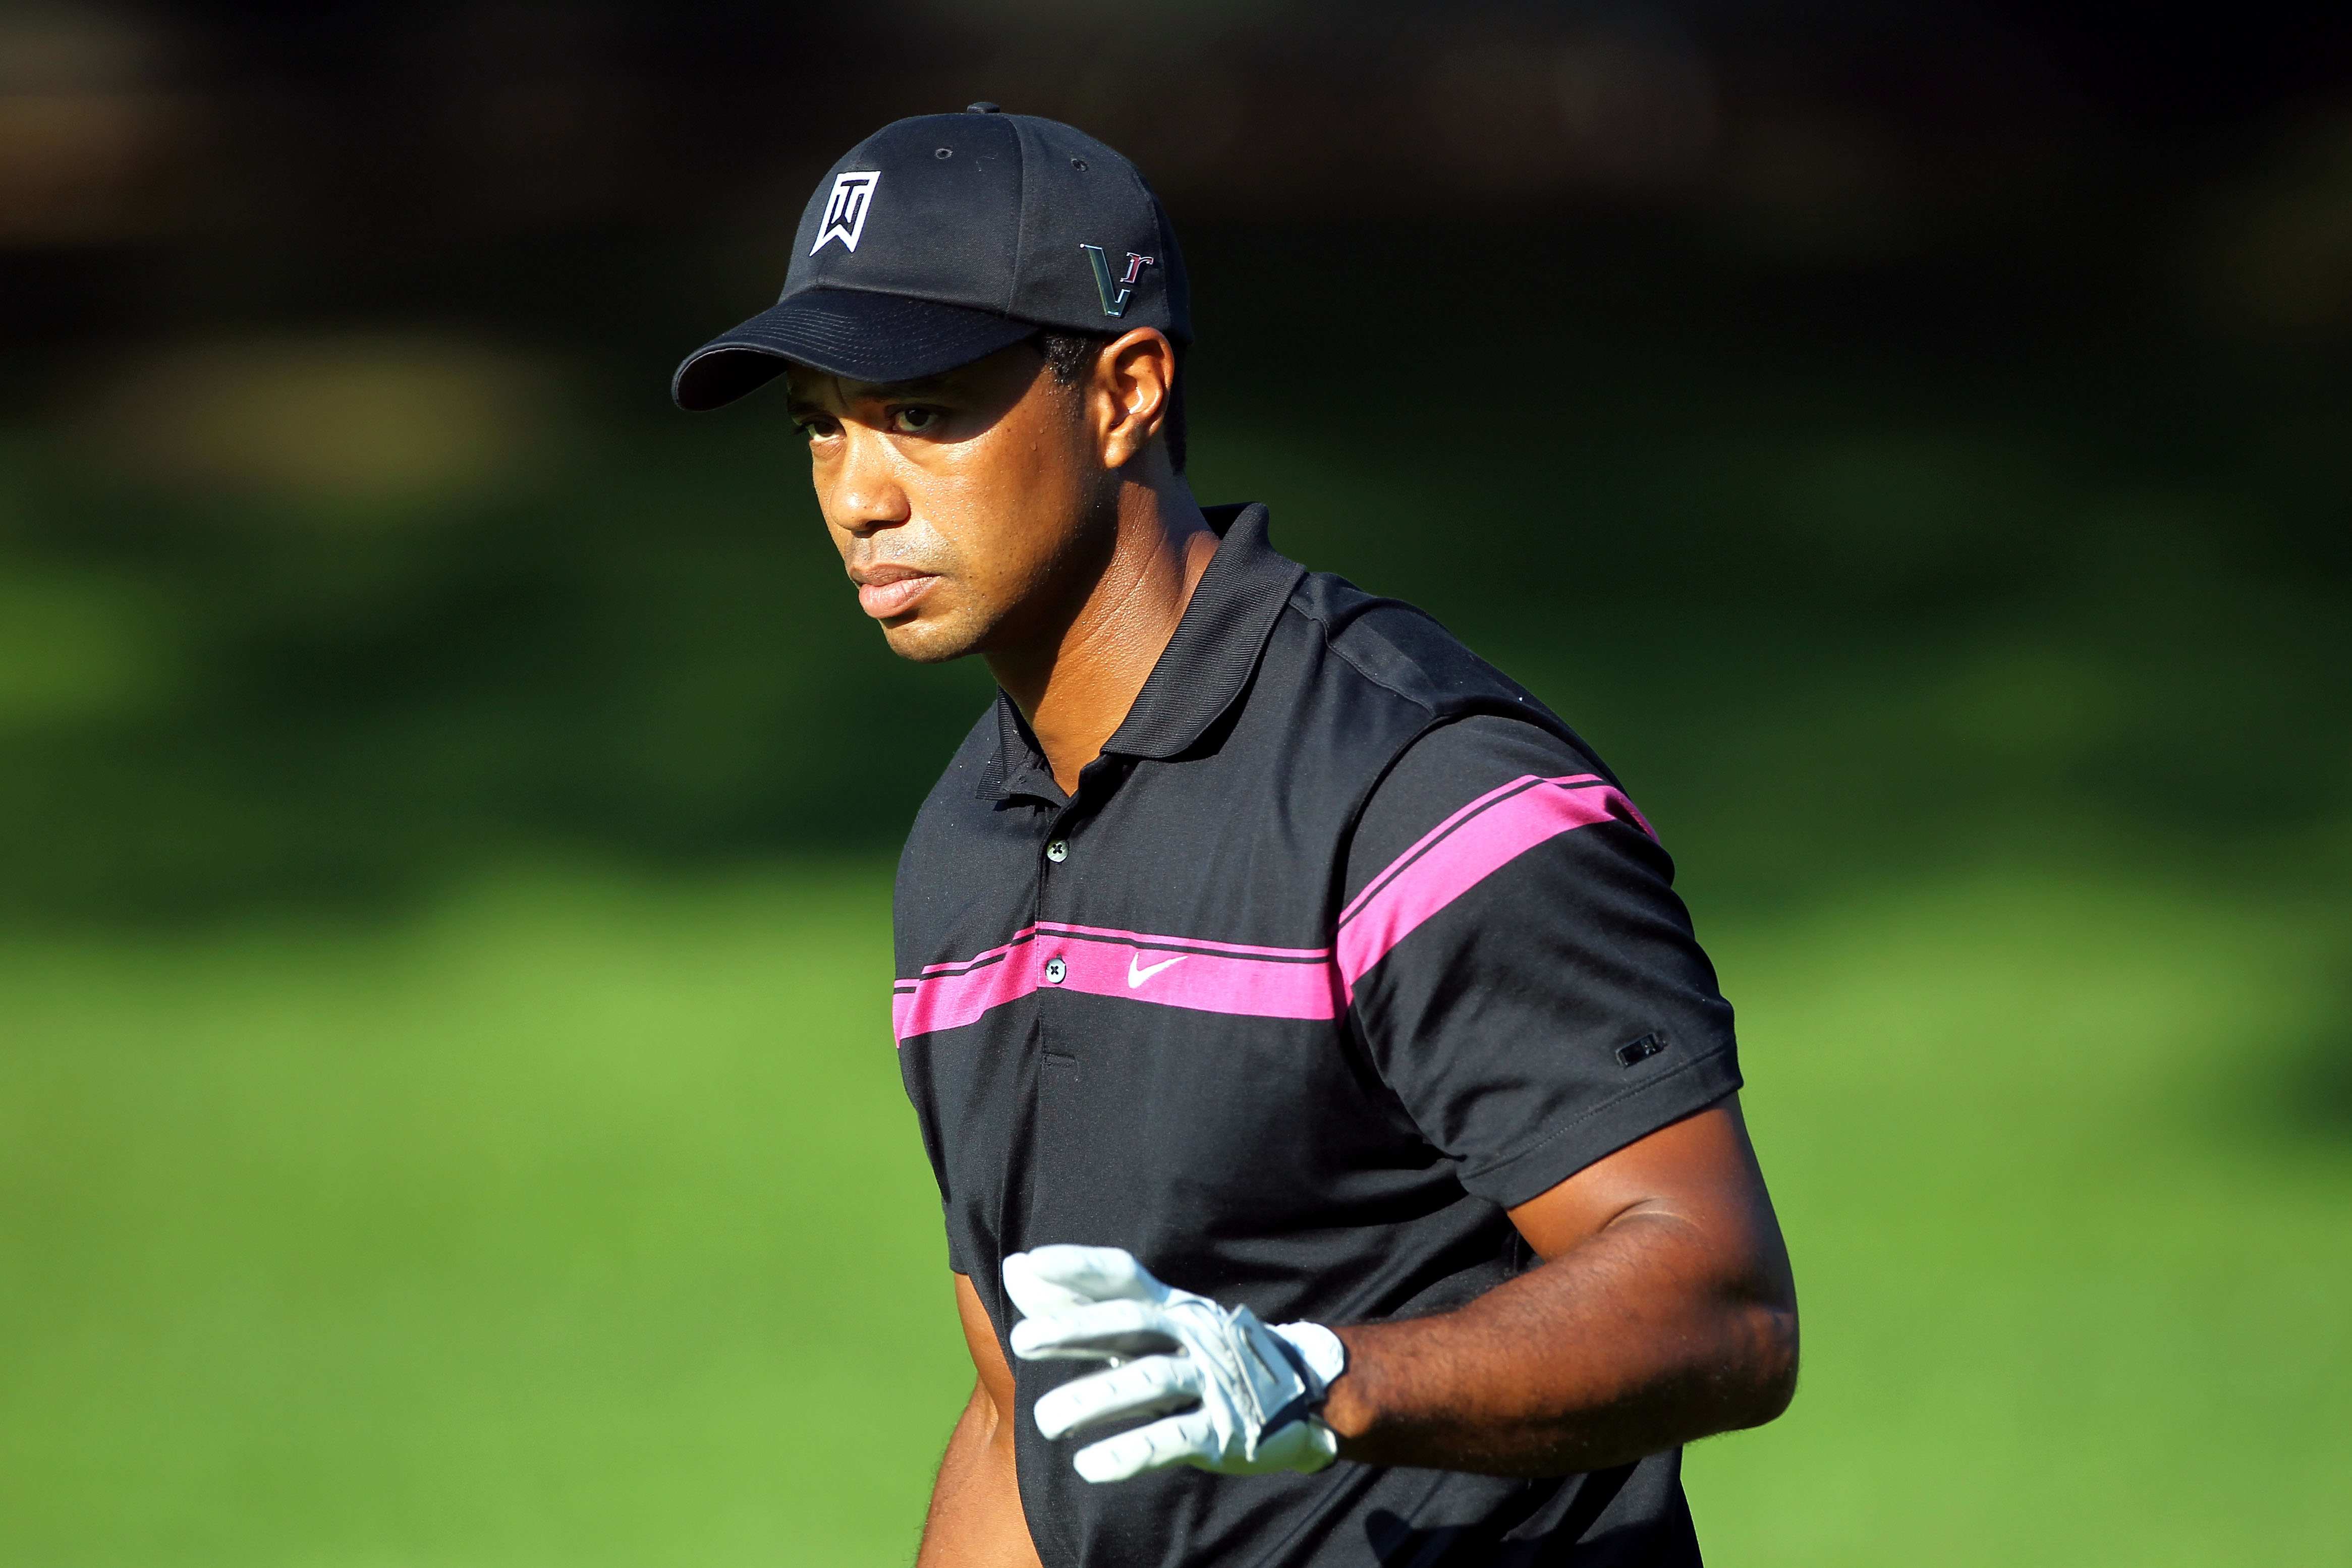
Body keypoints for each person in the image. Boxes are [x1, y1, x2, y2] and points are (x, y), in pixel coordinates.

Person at [674, 104, 1798, 1568]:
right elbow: (1032, 1404)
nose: (859, 496)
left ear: (1126, 390)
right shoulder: (966, 844)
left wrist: (1325, 1382)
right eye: (820, 426)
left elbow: (1724, 1301)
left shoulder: (1421, 792)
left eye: (926, 413)